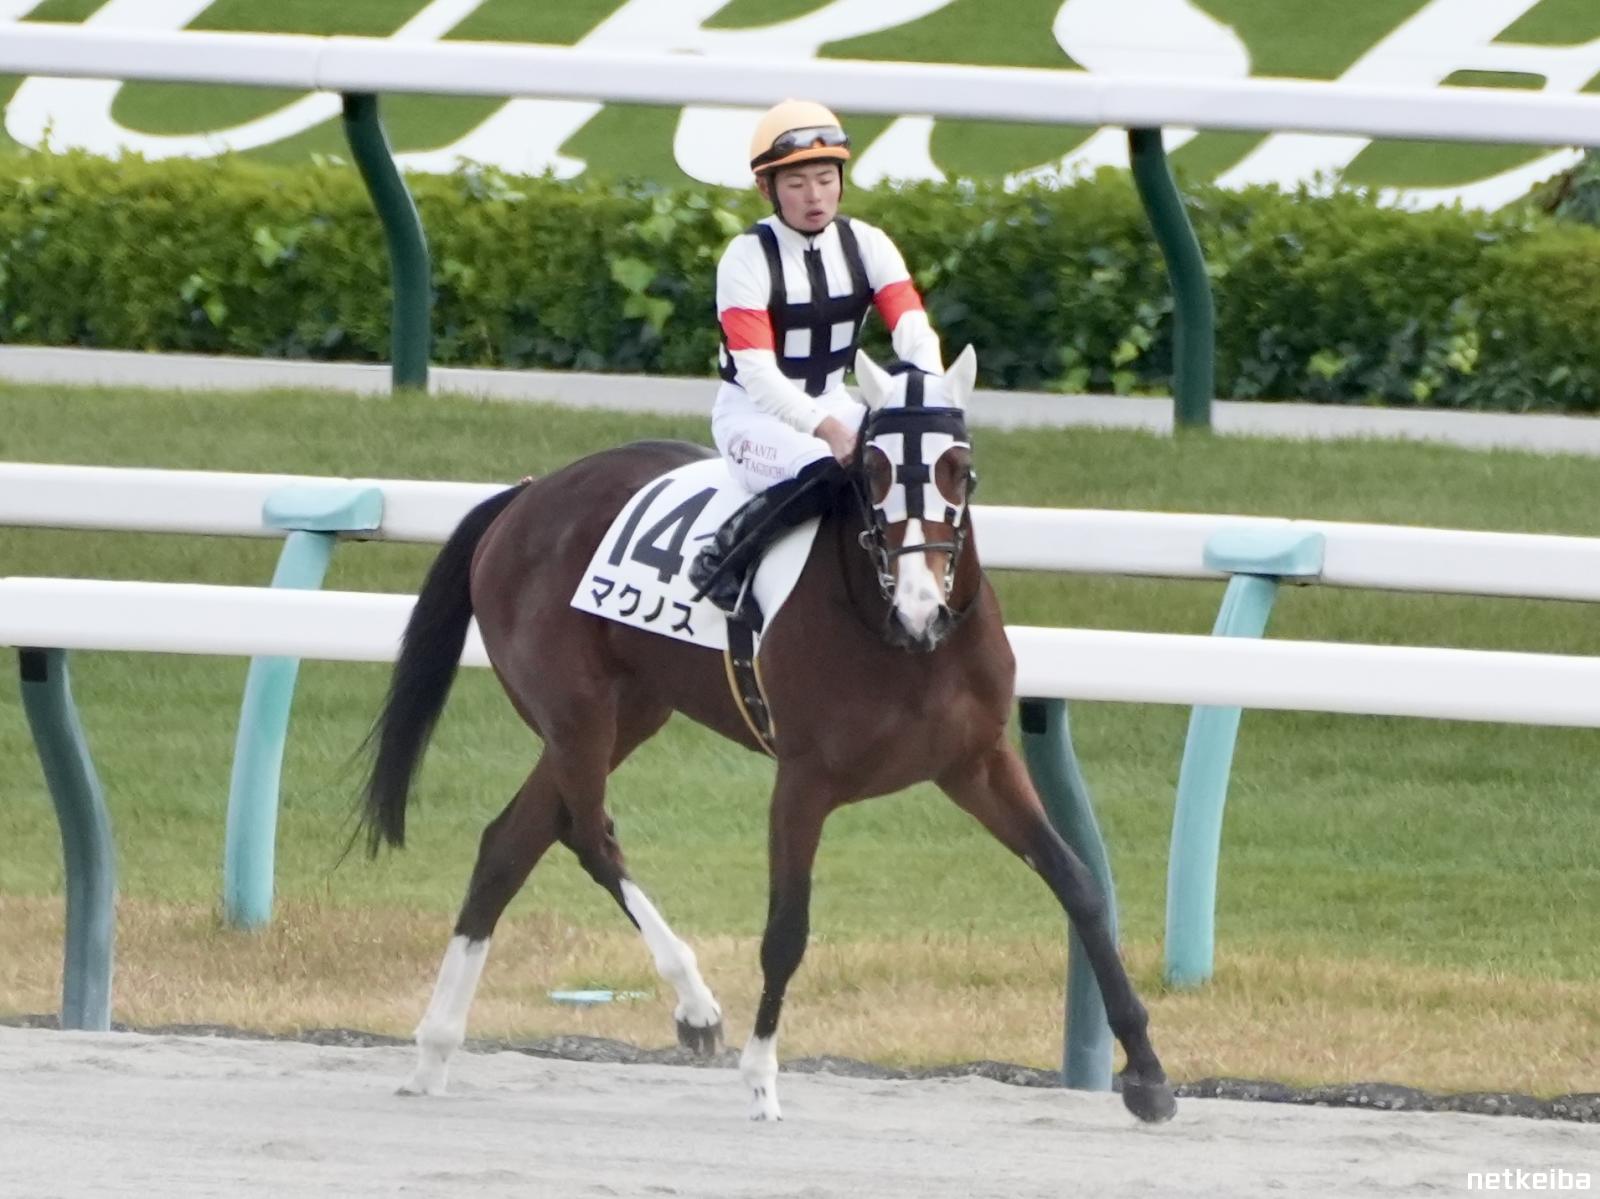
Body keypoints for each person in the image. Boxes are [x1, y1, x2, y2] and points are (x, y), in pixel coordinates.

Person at [689, 99, 945, 626]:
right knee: (826, 468)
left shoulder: (868, 244)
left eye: (826, 179)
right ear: (767, 189)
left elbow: (913, 331)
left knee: (913, 461)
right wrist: (827, 429)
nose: (815, 196)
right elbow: (759, 375)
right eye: (797, 183)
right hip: (752, 417)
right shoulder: (745, 258)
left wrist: (930, 400)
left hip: (833, 399)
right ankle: (721, 559)